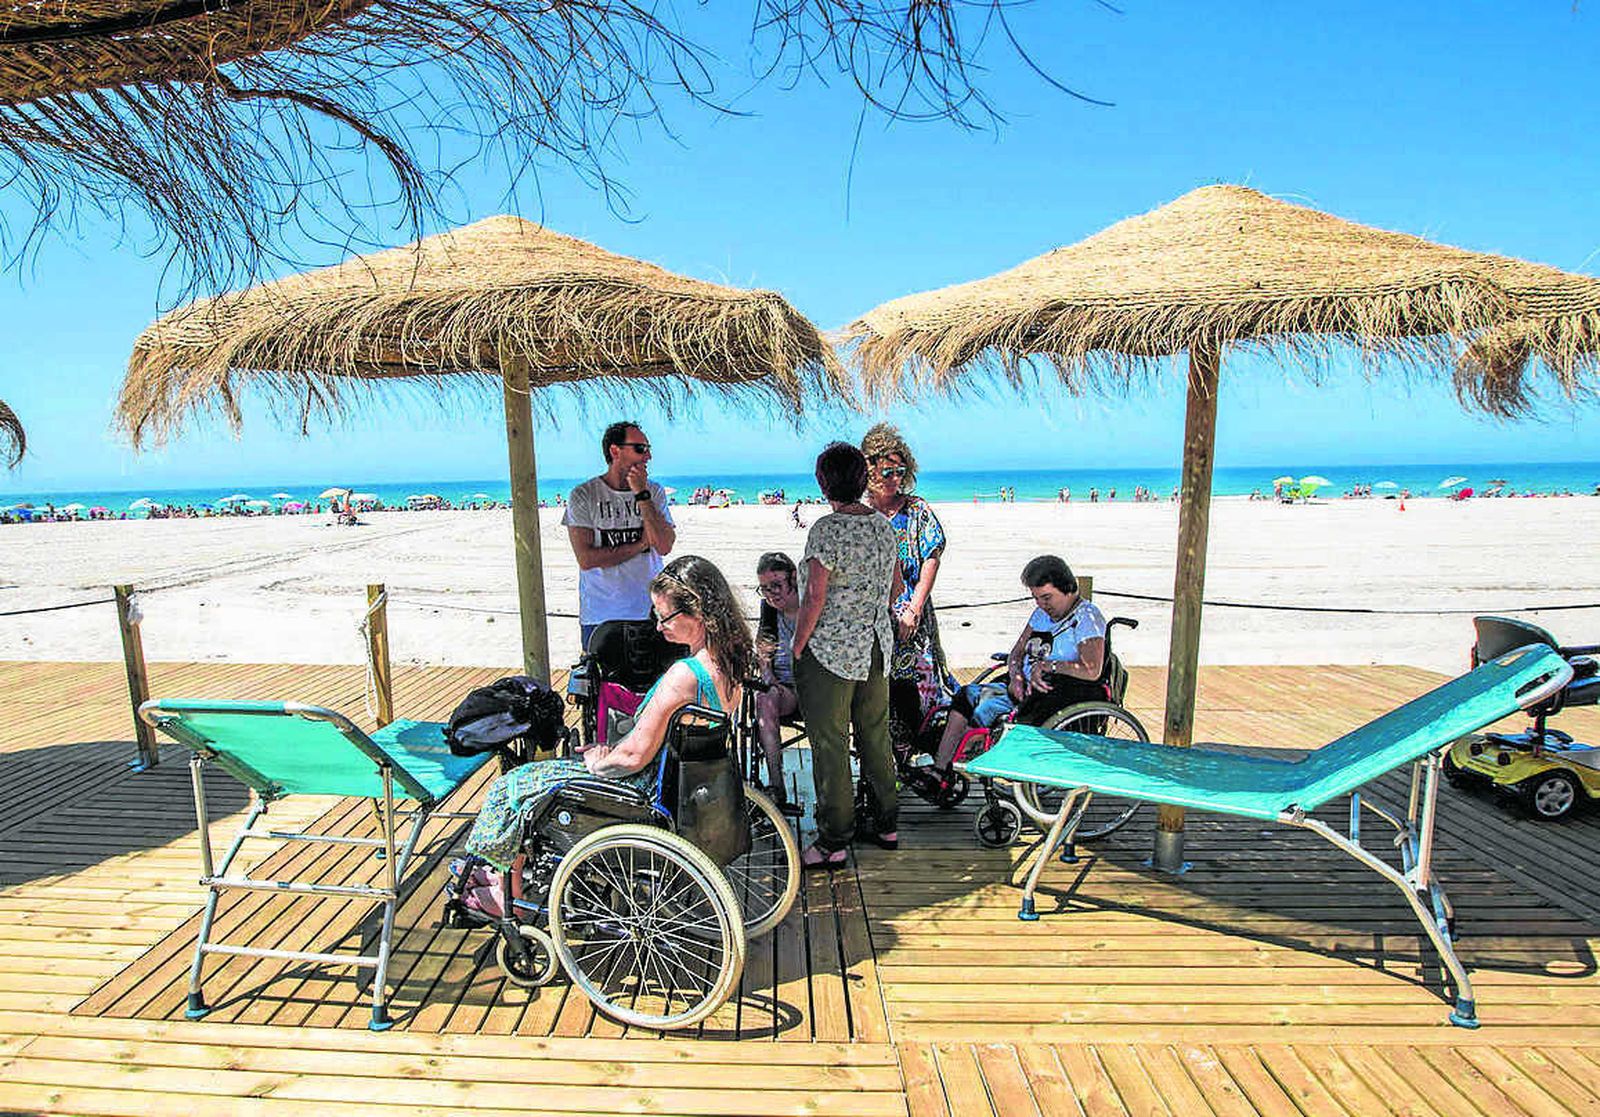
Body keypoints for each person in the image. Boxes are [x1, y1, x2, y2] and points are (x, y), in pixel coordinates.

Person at [464, 555, 750, 869]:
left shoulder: (685, 675)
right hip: (678, 779)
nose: (658, 626)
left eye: (665, 617)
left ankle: (504, 885)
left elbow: (633, 759)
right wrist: (613, 749)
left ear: (697, 612)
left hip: (639, 787)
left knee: (513, 785)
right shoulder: (728, 663)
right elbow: (654, 744)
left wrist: (599, 762)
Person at [792, 442, 901, 869]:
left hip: (832, 650)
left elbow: (814, 595)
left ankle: (834, 838)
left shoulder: (826, 529)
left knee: (830, 743)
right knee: (875, 735)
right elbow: (894, 588)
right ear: (863, 480)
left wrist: (798, 644)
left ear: (823, 482)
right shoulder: (882, 526)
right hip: (876, 646)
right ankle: (886, 821)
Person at [926, 555, 1108, 784]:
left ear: (1068, 589)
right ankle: (941, 768)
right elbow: (1017, 652)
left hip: (1053, 694)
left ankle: (965, 760)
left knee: (988, 709)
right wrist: (1016, 675)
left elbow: (1091, 669)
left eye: (1047, 597)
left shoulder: (1087, 618)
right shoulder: (1041, 615)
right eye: (1036, 598)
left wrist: (1049, 665)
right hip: (1021, 687)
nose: (1042, 604)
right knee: (966, 695)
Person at [861, 422, 948, 764]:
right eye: (887, 471)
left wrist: (914, 605)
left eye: (900, 471)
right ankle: (884, 763)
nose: (894, 478)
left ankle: (916, 760)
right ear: (869, 471)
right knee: (876, 693)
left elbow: (932, 556)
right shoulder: (860, 512)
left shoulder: (916, 509)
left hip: (912, 613)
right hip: (871, 618)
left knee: (914, 690)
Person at [564, 420, 677, 649]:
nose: (648, 457)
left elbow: (664, 545)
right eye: (640, 449)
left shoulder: (653, 491)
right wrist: (641, 544)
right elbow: (587, 560)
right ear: (615, 451)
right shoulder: (583, 495)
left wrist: (641, 493)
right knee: (603, 684)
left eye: (648, 449)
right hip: (601, 616)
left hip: (651, 613)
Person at [753, 552, 803, 814]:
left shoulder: (810, 603)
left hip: (815, 687)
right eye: (765, 588)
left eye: (776, 585)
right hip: (786, 688)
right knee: (764, 697)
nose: (771, 594)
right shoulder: (769, 610)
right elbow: (763, 649)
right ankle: (776, 785)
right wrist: (769, 678)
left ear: (793, 579)